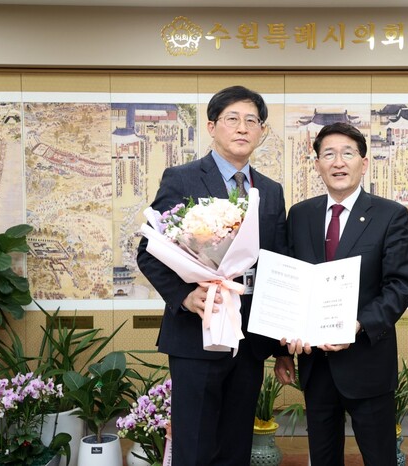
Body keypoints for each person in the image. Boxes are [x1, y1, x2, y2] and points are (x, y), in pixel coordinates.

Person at [137, 85, 287, 465]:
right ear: (211, 126)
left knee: (236, 447)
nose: (242, 128)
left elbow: (278, 265)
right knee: (195, 447)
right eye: (232, 119)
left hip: (250, 341)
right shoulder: (182, 179)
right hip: (196, 335)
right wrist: (185, 296)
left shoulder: (271, 191)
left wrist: (282, 348)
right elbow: (149, 251)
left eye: (252, 120)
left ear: (261, 130)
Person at [275, 122, 408, 466]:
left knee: (379, 458)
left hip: (367, 361)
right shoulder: (300, 215)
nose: (338, 162)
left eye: (347, 153)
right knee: (323, 458)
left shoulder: (390, 215)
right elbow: (288, 283)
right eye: (329, 154)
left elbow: (400, 285)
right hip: (315, 364)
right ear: (317, 165)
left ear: (363, 163)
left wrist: (356, 325)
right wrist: (283, 348)